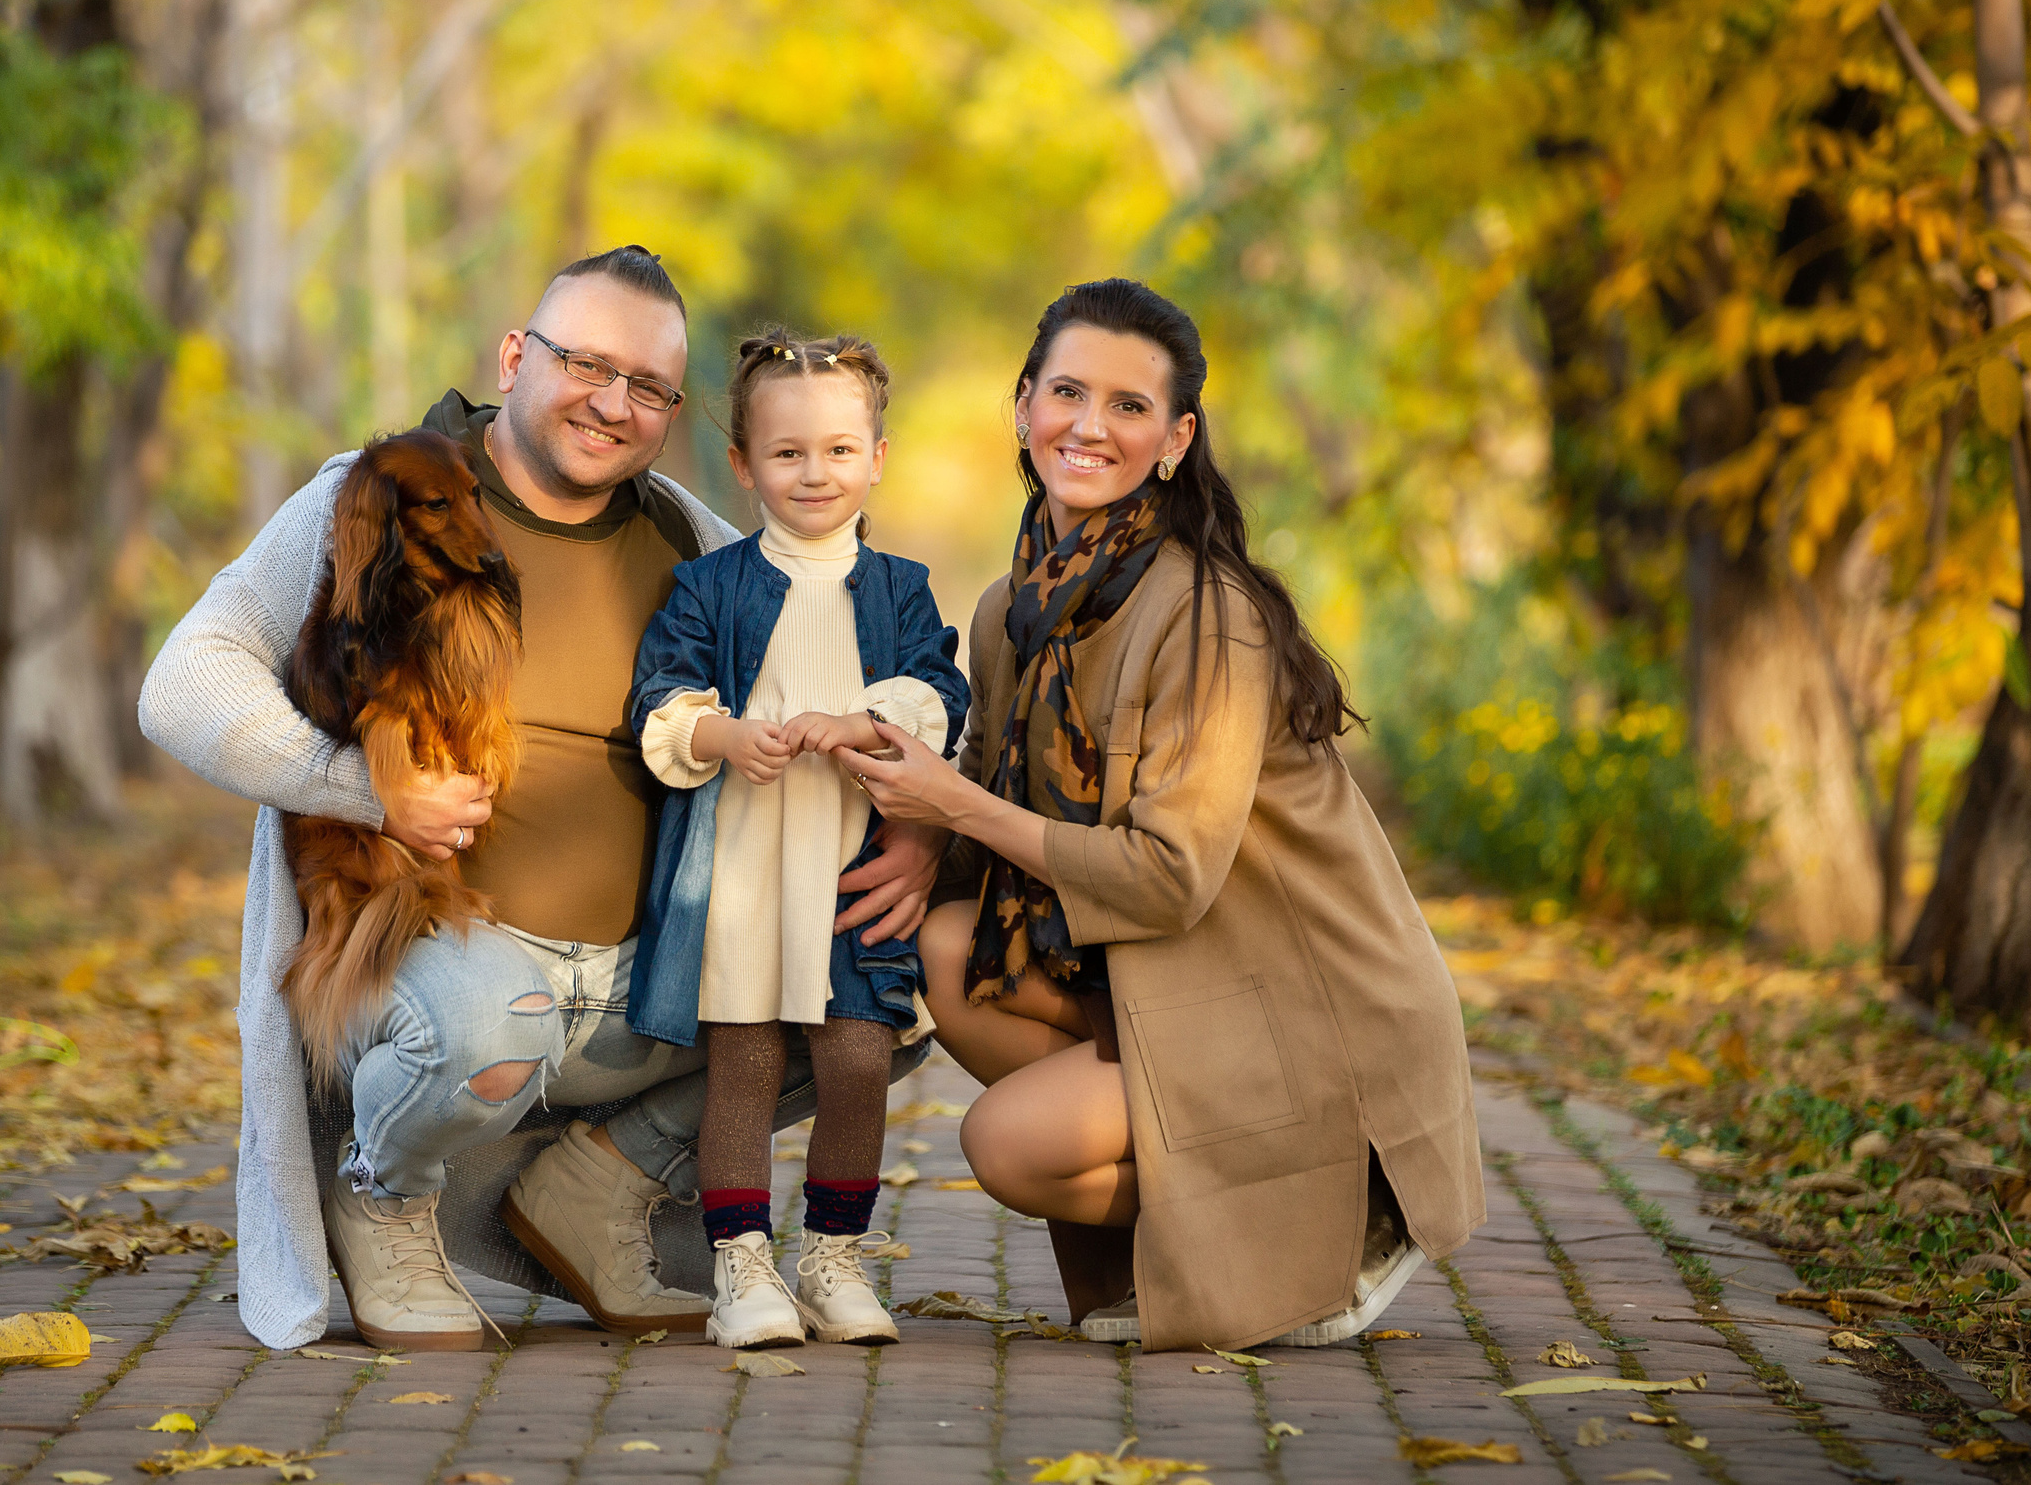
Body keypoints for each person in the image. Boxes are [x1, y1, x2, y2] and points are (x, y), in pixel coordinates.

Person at [139, 246, 944, 1352]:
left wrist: (918, 837)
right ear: (516, 356)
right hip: (437, 962)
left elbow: (855, 670)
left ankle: (602, 1180)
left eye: (650, 386)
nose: (614, 403)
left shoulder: (686, 537)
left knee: (886, 989)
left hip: (635, 985)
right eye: (587, 364)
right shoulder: (377, 493)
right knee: (488, 1024)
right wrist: (372, 792)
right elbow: (183, 682)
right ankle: (380, 1192)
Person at [833, 277, 1483, 1352]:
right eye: (1067, 393)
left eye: (1129, 406)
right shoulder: (1012, 608)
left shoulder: (1208, 616)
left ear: (1176, 439)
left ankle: (1343, 1212)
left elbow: (1169, 875)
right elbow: (985, 794)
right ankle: (1224, 1230)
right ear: (1022, 406)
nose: (1089, 426)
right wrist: (916, 831)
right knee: (942, 947)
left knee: (1005, 1145)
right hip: (1173, 979)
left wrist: (953, 802)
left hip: (1302, 1007)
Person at [625, 331, 971, 1350]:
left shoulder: (900, 587)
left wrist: (864, 722)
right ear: (743, 465)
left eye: (838, 450)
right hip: (742, 865)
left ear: (877, 457)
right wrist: (723, 734)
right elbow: (660, 698)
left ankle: (833, 1255)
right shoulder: (711, 585)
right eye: (786, 453)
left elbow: (939, 694)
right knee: (744, 1067)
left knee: (857, 1057)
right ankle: (740, 1265)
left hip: (851, 860)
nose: (814, 473)